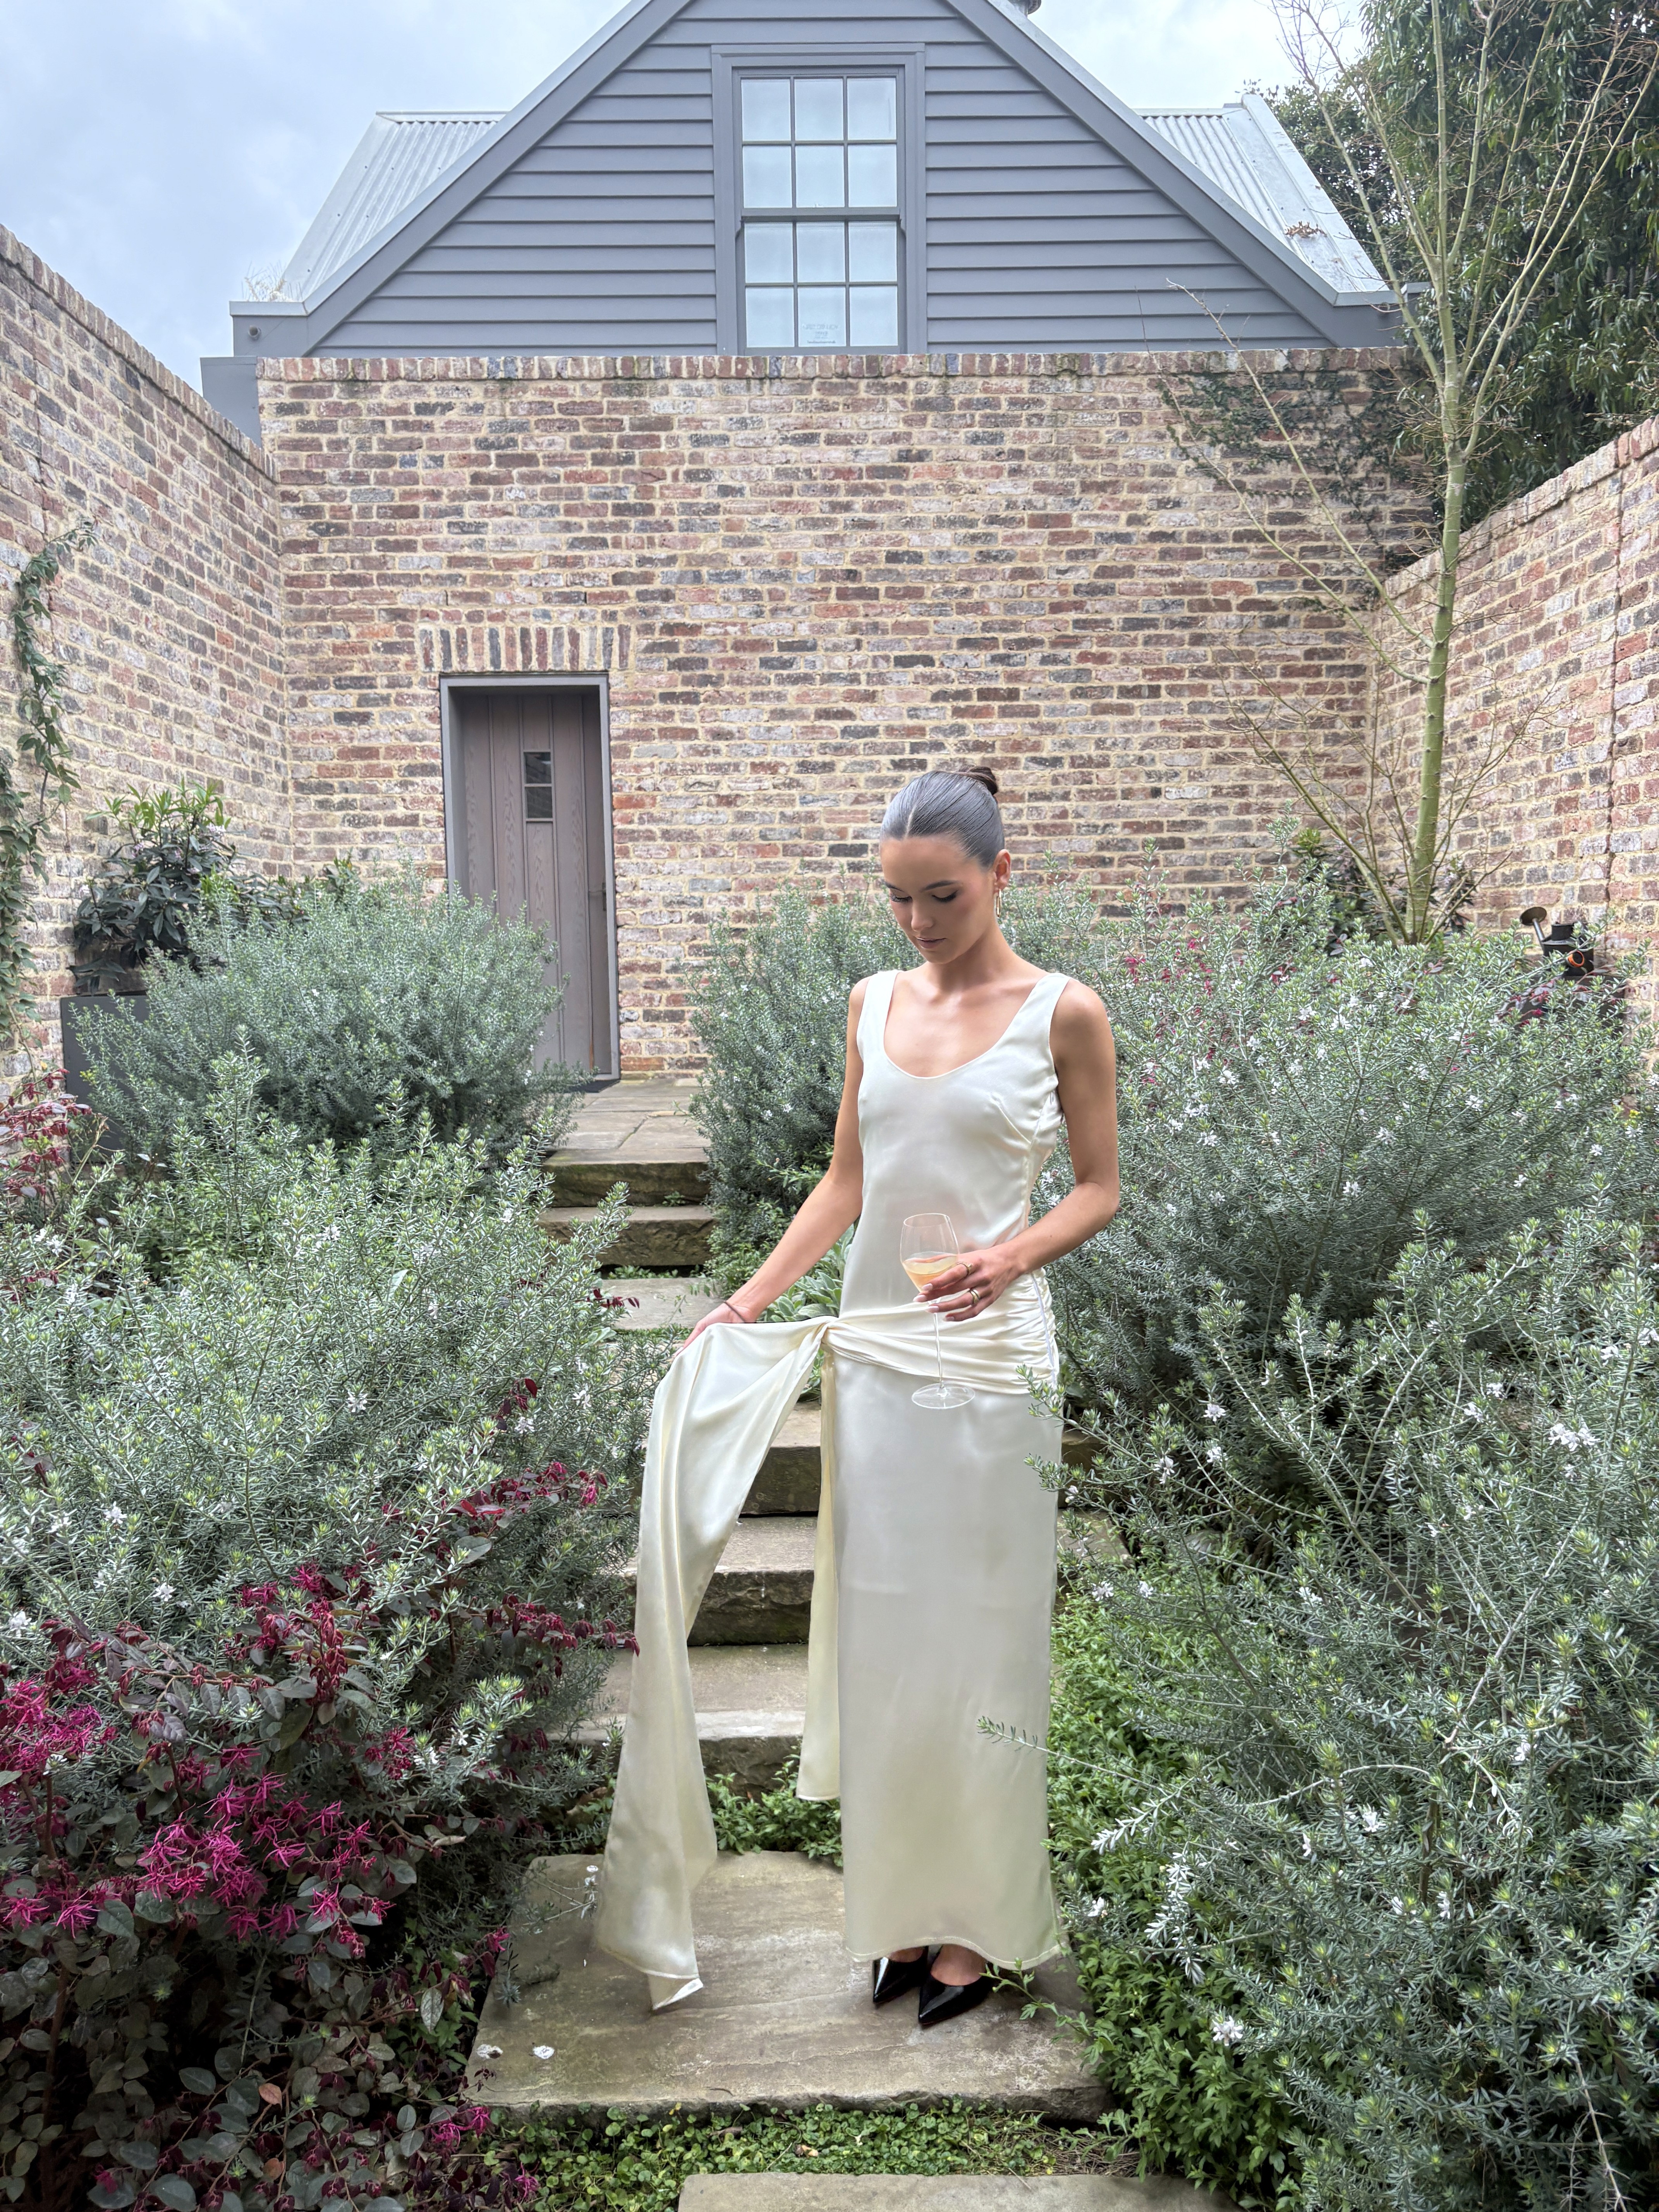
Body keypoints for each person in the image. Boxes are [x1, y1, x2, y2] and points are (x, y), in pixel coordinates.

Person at [675, 765, 1121, 2025]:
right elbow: (842, 1183)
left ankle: (975, 1932)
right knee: (888, 1649)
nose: (919, 922)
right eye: (897, 898)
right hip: (877, 1359)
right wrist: (748, 1303)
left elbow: (1098, 1187)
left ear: (999, 875)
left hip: (991, 1367)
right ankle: (899, 1916)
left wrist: (1014, 1250)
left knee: (980, 1648)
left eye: (943, 895)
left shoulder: (1063, 1014)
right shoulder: (870, 1002)